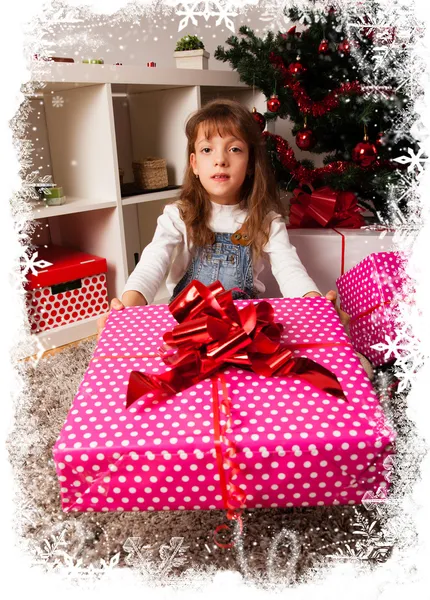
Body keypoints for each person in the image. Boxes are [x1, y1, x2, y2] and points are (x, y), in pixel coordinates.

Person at [97, 98, 350, 340]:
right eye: (207, 150)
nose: (220, 160)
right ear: (194, 164)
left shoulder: (267, 221)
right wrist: (124, 311)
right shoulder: (177, 215)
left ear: (250, 163)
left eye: (234, 149)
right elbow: (152, 264)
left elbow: (290, 270)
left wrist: (318, 307)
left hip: (243, 329)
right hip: (186, 328)